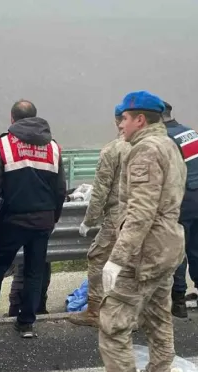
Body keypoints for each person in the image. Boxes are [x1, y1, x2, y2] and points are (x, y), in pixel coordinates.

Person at [98, 91, 186, 372]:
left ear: (139, 119)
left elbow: (140, 212)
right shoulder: (169, 145)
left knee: (113, 324)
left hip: (143, 253)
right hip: (167, 248)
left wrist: (117, 258)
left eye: (123, 118)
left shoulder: (145, 151)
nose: (120, 125)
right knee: (159, 319)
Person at [0, 100, 67, 339]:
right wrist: (53, 217)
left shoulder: (4, 144)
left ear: (12, 119)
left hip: (12, 220)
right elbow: (60, 190)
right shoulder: (53, 147)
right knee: (34, 271)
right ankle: (26, 323)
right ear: (36, 117)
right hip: (43, 220)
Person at [68, 105, 131, 327]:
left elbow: (101, 190)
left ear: (118, 122)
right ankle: (136, 313)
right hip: (145, 214)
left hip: (118, 214)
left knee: (98, 257)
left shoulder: (113, 150)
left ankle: (95, 310)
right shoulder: (152, 147)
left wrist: (89, 220)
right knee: (134, 263)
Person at [162, 102, 198, 318]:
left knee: (177, 255)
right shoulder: (190, 133)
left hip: (182, 203)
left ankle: (179, 304)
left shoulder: (165, 140)